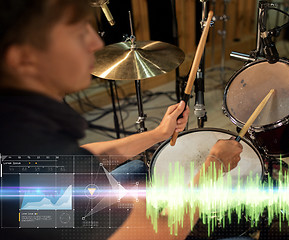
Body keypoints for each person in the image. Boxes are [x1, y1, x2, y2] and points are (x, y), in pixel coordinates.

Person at [0, 0, 243, 239]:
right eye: (77, 32)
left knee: (138, 168)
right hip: (90, 220)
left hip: (76, 213)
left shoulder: (19, 125)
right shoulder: (34, 170)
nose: (96, 43)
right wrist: (215, 164)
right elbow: (166, 234)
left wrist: (159, 133)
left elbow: (82, 157)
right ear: (23, 59)